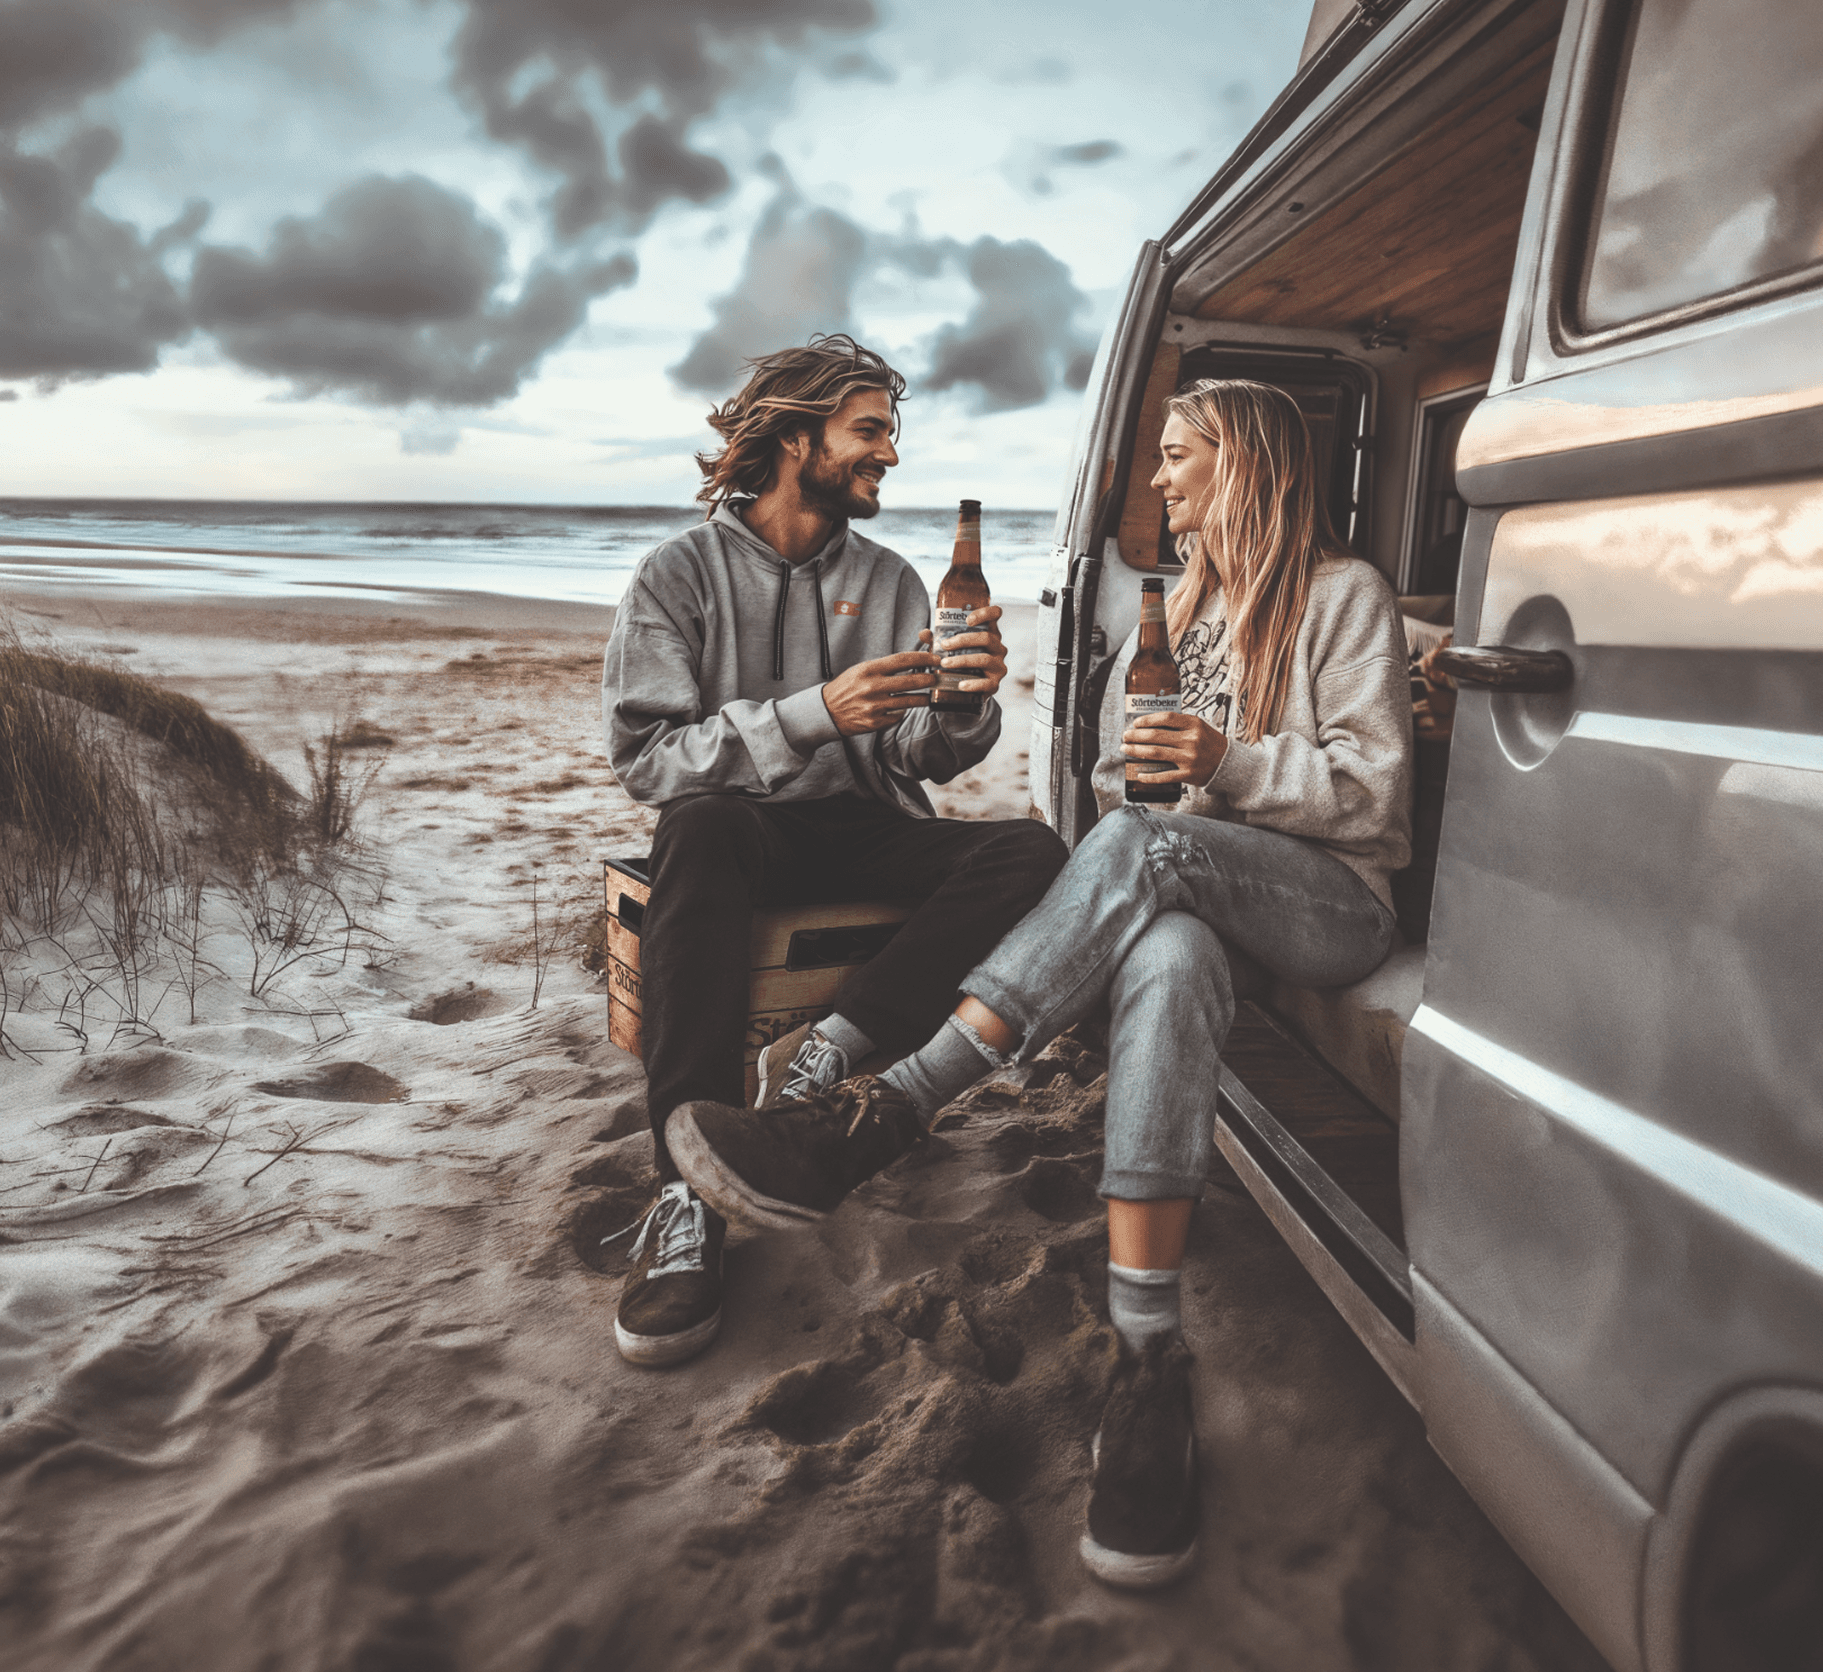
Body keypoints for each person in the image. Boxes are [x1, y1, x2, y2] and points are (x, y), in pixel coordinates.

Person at [668, 378, 1413, 1589]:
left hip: (1333, 904)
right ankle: (1148, 1354)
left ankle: (893, 1103)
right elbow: (1130, 776)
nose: (1160, 483)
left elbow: (1376, 797)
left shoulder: (1346, 596)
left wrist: (1230, 759)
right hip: (1207, 885)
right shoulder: (1195, 605)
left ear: (1250, 465)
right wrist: (1160, 755)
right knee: (1167, 950)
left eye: (1180, 458)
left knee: (1135, 853)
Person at [601, 334, 1068, 1370]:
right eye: (869, 431)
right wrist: (815, 711)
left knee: (1032, 850)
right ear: (795, 433)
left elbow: (920, 755)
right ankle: (685, 1199)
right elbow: (650, 758)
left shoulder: (896, 579)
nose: (888, 455)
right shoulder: (678, 574)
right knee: (699, 822)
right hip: (738, 829)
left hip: (865, 823)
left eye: (890, 434)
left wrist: (962, 707)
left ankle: (831, 1057)